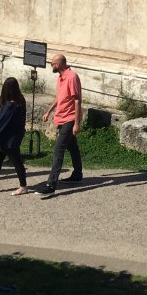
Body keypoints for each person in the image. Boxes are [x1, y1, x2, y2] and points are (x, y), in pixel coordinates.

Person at [40, 53, 83, 197]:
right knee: (72, 146)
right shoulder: (60, 78)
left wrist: (76, 123)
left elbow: (77, 100)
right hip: (62, 117)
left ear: (57, 65)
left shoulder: (72, 77)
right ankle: (77, 174)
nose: (51, 66)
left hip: (69, 119)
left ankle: (51, 184)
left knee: (59, 149)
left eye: (52, 64)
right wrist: (48, 111)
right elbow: (60, 97)